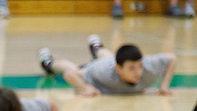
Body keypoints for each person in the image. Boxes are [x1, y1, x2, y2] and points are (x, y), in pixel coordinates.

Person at [37, 36, 175, 97]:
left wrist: (164, 86)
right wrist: (85, 88)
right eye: (132, 69)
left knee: (108, 57)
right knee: (74, 67)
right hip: (99, 66)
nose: (138, 72)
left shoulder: (149, 66)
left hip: (109, 61)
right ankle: (49, 63)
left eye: (140, 66)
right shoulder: (103, 73)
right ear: (118, 69)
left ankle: (96, 47)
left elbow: (172, 59)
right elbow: (69, 74)